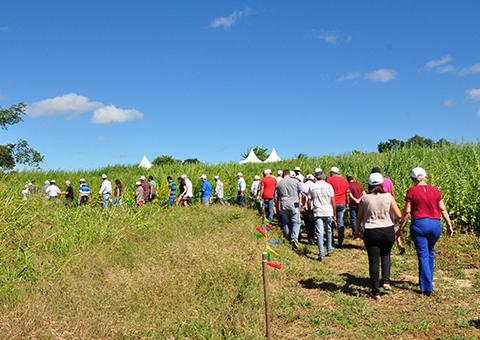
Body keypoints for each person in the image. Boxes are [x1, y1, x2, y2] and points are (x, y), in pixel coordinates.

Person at [400, 167, 454, 296]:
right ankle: (428, 281)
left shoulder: (411, 191)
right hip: (435, 224)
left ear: (413, 179)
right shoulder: (435, 190)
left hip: (420, 224)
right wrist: (449, 225)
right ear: (425, 177)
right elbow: (443, 209)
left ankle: (426, 288)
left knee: (423, 254)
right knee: (430, 252)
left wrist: (401, 227)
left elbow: (407, 211)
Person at [355, 173, 402, 300]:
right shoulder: (389, 196)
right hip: (387, 229)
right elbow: (398, 215)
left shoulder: (364, 198)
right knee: (386, 255)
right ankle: (386, 281)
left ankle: (375, 292)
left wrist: (357, 231)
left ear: (369, 185)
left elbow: (359, 217)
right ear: (381, 184)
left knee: (374, 261)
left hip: (371, 230)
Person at [371, 166, 405, 253]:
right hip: (390, 204)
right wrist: (394, 204)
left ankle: (383, 244)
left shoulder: (373, 182)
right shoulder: (388, 181)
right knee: (394, 225)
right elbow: (393, 193)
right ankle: (399, 243)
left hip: (379, 206)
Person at [309, 172, 336, 260]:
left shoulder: (312, 187)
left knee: (319, 232)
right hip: (328, 210)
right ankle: (329, 248)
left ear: (315, 178)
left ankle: (321, 253)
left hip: (317, 211)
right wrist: (334, 213)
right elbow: (333, 201)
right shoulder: (329, 186)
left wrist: (310, 212)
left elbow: (310, 201)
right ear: (324, 177)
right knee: (329, 230)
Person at [275, 170, 303, 249]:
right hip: (294, 202)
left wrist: (277, 209)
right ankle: (294, 238)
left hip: (283, 203)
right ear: (289, 174)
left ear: (283, 175)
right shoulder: (295, 181)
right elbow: (301, 192)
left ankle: (288, 239)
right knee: (296, 222)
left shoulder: (279, 183)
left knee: (286, 222)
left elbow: (276, 198)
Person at [326, 167, 350, 248]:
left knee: (330, 222)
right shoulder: (344, 180)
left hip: (332, 204)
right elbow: (347, 193)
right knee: (340, 223)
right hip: (342, 203)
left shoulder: (329, 180)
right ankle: (340, 243)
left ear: (332, 173)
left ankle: (331, 242)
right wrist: (347, 203)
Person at [301, 174, 316, 245]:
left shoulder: (303, 185)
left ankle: (310, 238)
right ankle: (313, 237)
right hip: (314, 206)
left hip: (305, 207)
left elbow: (302, 196)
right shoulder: (315, 185)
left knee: (307, 223)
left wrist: (303, 205)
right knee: (313, 223)